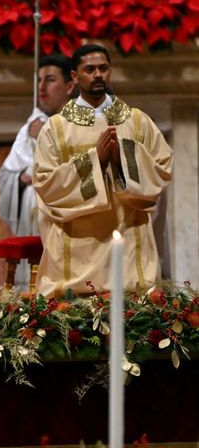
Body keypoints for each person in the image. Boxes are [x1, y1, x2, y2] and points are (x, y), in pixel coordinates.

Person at [33, 44, 172, 297]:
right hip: (76, 250)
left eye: (103, 68)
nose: (98, 74)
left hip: (128, 236)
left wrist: (124, 158)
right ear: (74, 77)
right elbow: (45, 184)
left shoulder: (137, 121)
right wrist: (93, 159)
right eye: (90, 69)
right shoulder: (56, 128)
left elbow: (162, 167)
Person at [0, 54, 73, 285]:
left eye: (49, 80)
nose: (41, 87)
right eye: (38, 80)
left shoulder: (79, 122)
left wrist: (46, 134)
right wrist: (21, 179)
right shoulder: (31, 126)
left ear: (70, 85)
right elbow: (6, 175)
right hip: (32, 217)